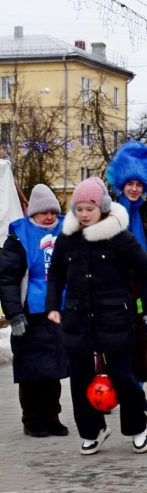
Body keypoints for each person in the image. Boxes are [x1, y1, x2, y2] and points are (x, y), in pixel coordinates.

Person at [45, 178, 147, 455]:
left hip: (114, 318)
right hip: (77, 317)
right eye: (79, 209)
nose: (84, 214)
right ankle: (92, 430)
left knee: (122, 375)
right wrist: (53, 305)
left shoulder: (119, 237)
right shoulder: (67, 238)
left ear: (103, 208)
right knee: (80, 379)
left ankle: (137, 426)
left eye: (89, 209)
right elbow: (57, 272)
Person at [105, 140, 147, 413]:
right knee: (112, 341)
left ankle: (136, 392)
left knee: (143, 340)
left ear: (146, 186)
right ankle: (110, 391)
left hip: (143, 287)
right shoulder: (107, 213)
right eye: (130, 183)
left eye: (139, 184)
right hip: (113, 287)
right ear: (121, 182)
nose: (134, 189)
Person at [0, 184, 69, 437]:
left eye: (53, 211)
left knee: (54, 369)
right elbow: (7, 279)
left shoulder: (68, 231)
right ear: (32, 213)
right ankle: (32, 419)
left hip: (58, 312)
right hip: (30, 314)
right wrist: (14, 314)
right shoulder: (19, 237)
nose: (49, 216)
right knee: (31, 369)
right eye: (43, 213)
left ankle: (52, 416)